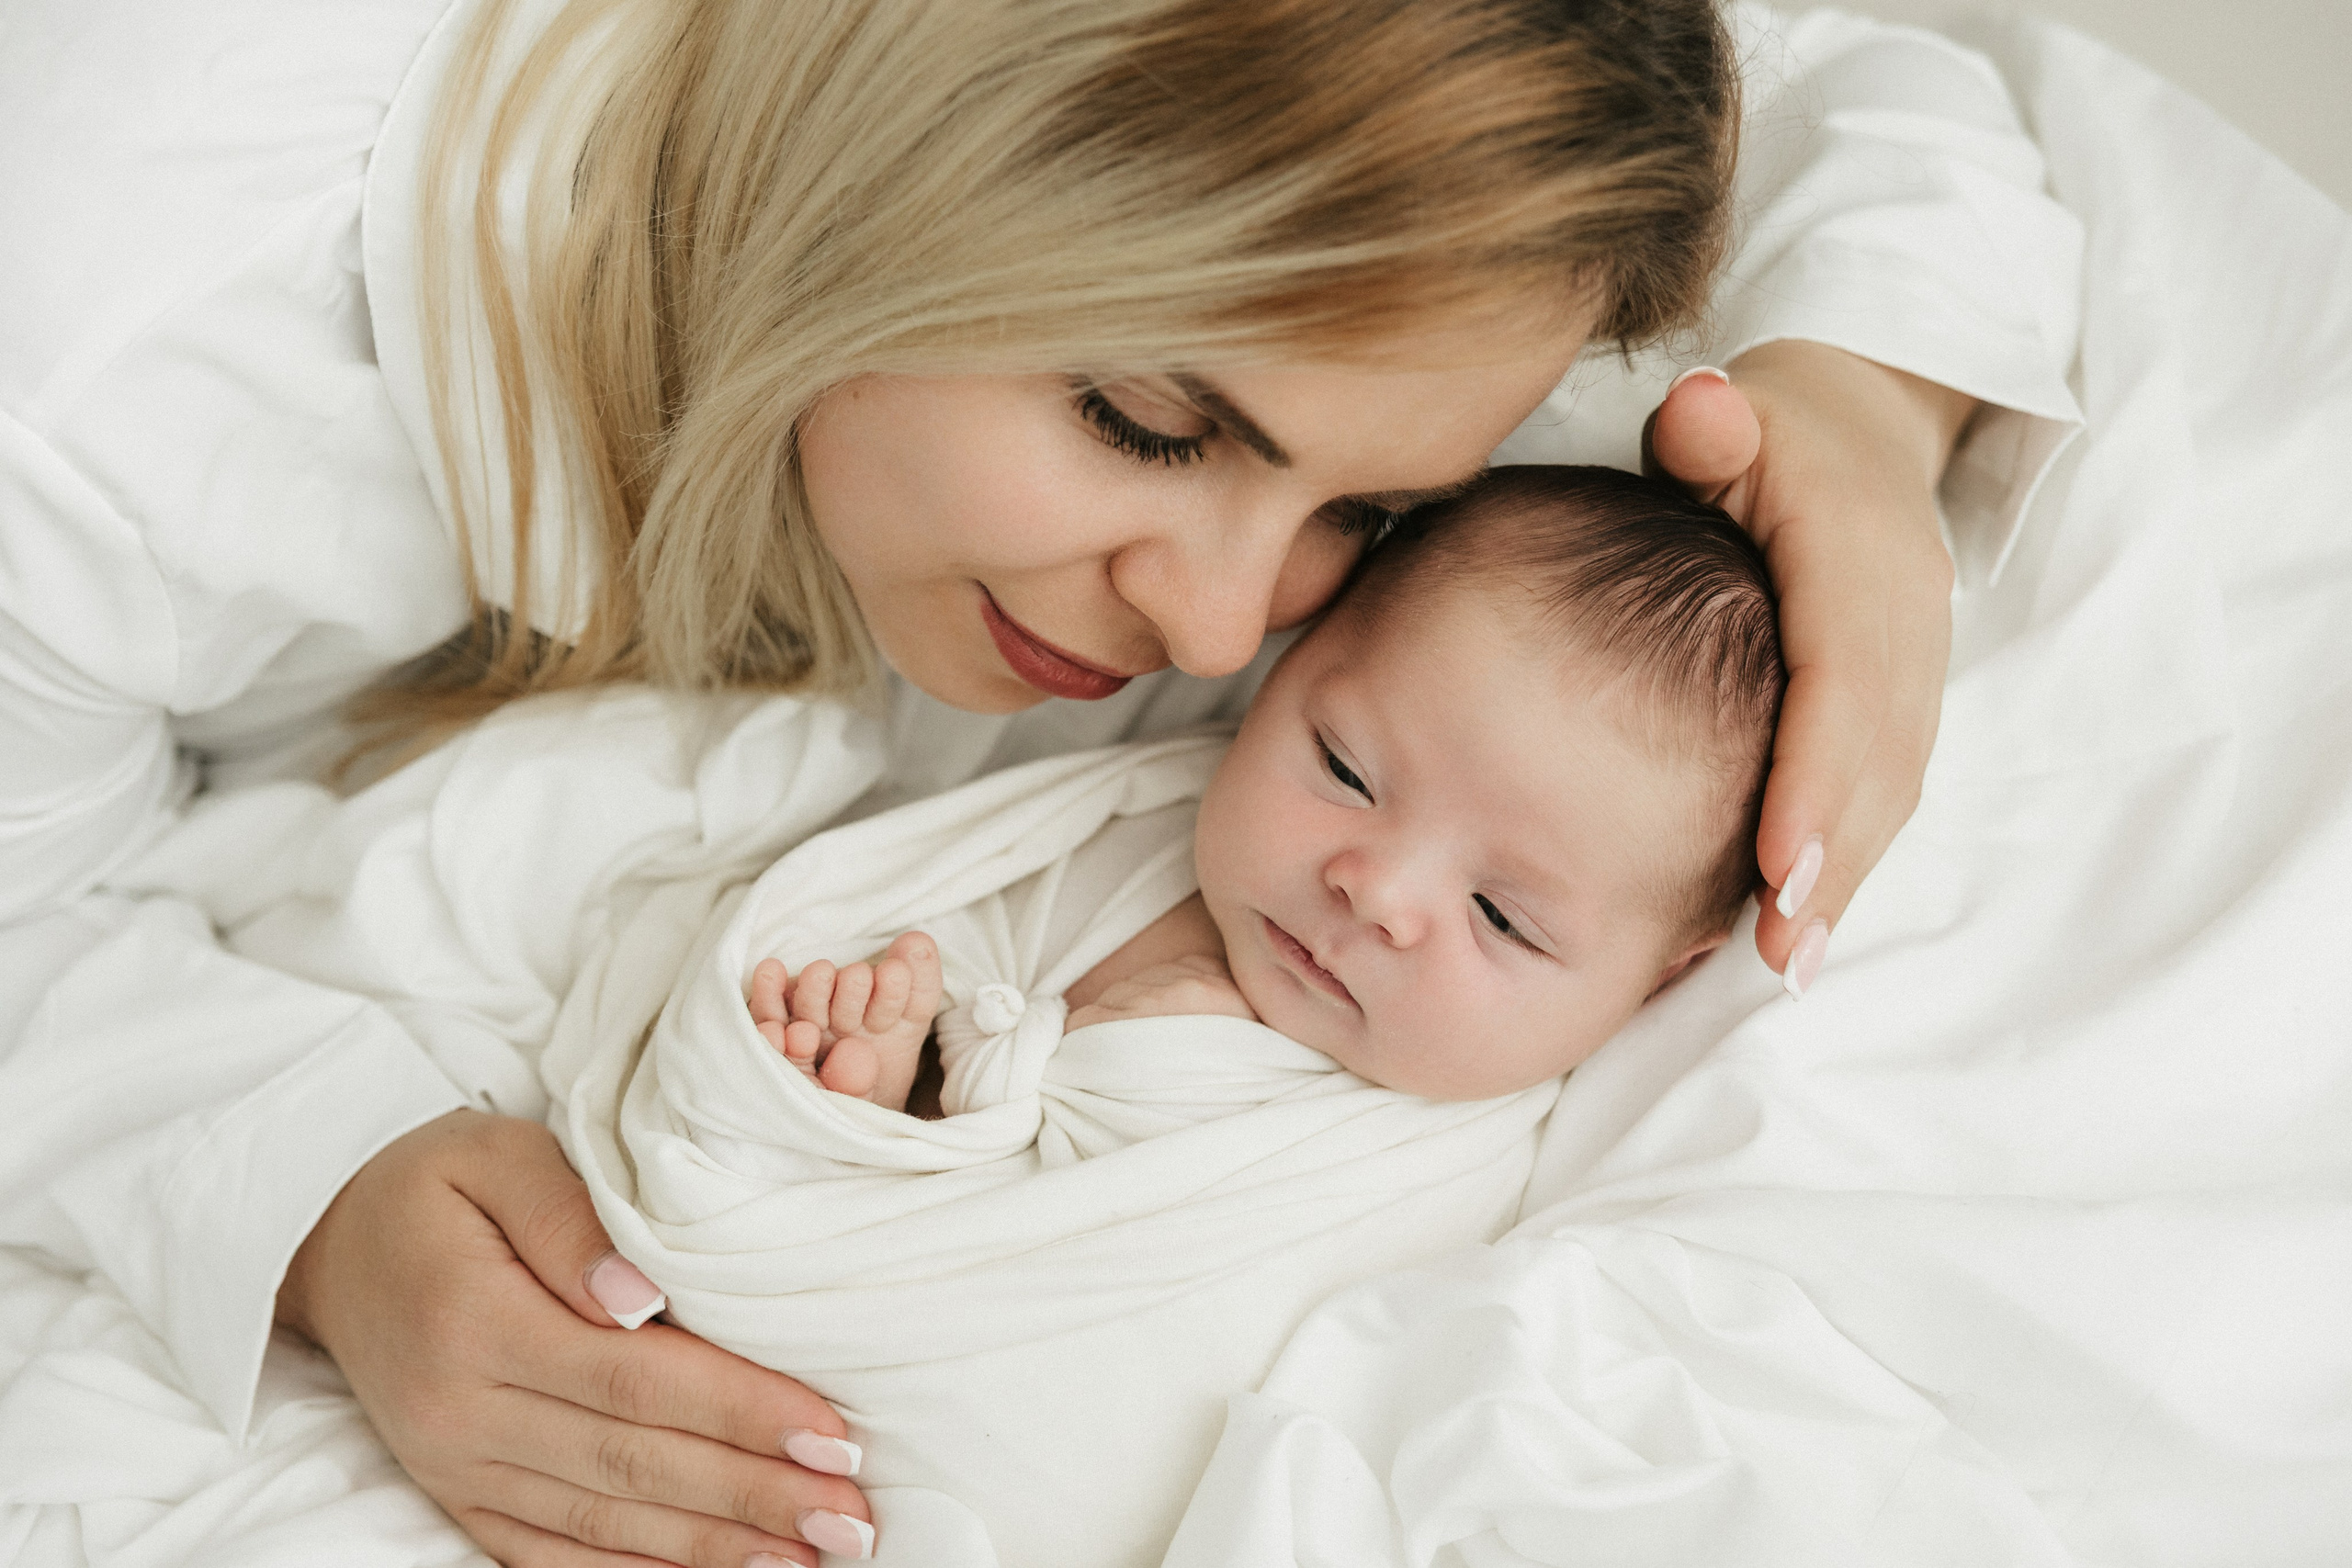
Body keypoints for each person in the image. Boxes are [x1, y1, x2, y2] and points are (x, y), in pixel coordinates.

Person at [0, 0, 2085, 1563]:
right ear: (920, 121)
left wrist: (1856, 426)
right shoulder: (109, 361)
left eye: (1362, 509)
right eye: (1145, 419)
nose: (1212, 631)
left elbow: (1872, 82)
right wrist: (314, 1192)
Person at [755, 465, 1781, 1115]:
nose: (1375, 894)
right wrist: (893, 1083)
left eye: (1501, 918)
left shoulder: (1462, 1152)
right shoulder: (1114, 837)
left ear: (1658, 982)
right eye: (1344, 769)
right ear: (1278, 674)